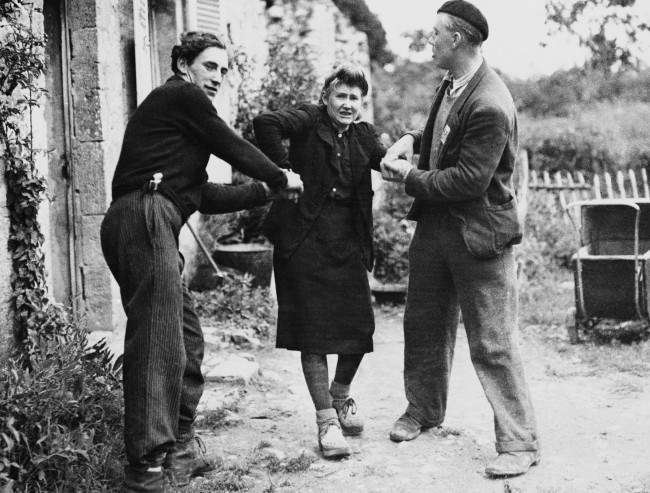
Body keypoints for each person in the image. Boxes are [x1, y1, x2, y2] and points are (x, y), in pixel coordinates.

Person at [100, 31, 303, 492]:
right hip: (142, 216)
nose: (217, 77)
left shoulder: (178, 139)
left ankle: (179, 448)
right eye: (210, 66)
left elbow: (202, 196)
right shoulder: (181, 95)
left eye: (224, 71)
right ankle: (145, 470)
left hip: (155, 219)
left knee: (186, 337)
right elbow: (229, 142)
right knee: (156, 338)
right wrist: (278, 174)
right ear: (183, 65)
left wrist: (267, 190)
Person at [381, 0, 540, 478]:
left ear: (458, 39)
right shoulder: (451, 83)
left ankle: (519, 441)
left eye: (434, 34)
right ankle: (423, 410)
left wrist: (408, 175)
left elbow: (468, 180)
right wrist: (411, 137)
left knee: (492, 342)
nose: (428, 40)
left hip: (480, 237)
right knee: (423, 325)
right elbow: (440, 133)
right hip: (437, 231)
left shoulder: (491, 103)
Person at [253, 65, 386, 459]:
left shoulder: (364, 135)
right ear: (327, 97)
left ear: (362, 104)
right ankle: (326, 420)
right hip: (303, 239)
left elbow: (388, 162)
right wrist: (284, 172)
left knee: (359, 327)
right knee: (313, 333)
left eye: (354, 98)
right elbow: (265, 123)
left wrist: (411, 143)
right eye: (340, 96)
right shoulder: (308, 119)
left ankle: (341, 393)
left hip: (347, 241)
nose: (347, 104)